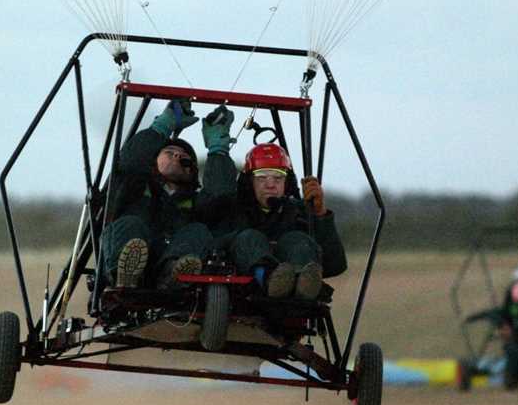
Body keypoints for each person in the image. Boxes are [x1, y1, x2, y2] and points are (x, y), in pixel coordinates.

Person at [99, 100, 236, 289]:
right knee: (130, 223)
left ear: (192, 171)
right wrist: (162, 125)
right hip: (131, 260)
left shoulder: (195, 203)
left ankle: (174, 273)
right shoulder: (134, 187)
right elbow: (131, 160)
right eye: (170, 152)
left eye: (184, 157)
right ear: (153, 161)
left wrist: (217, 149)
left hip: (168, 263)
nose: (177, 156)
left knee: (198, 231)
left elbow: (220, 195)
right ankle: (125, 275)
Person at [217, 143, 347, 300]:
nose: (270, 184)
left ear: (287, 183)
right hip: (243, 297)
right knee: (249, 238)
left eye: (278, 177)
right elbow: (215, 248)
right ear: (249, 182)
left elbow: (335, 265)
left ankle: (301, 284)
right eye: (262, 177)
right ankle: (269, 278)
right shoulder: (232, 210)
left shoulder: (300, 212)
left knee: (297, 240)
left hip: (295, 305)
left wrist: (320, 214)